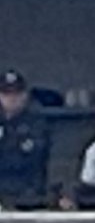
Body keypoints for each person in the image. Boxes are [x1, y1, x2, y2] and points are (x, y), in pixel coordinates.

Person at [0, 68, 50, 209]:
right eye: (6, 93)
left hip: (27, 196)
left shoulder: (36, 122)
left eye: (16, 93)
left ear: (25, 95)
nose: (12, 98)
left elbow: (32, 159)